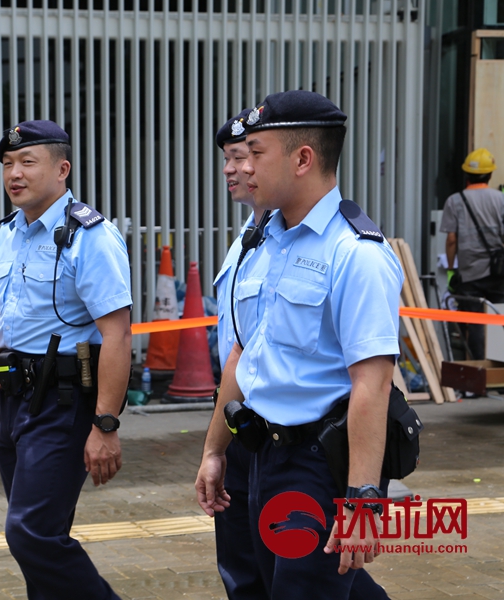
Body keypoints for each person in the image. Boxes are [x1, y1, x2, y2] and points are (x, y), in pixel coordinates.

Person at [195, 90, 403, 599]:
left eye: (256, 152)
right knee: (257, 586)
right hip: (257, 451)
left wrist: (363, 499)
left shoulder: (356, 255)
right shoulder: (261, 242)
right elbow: (243, 354)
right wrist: (215, 450)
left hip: (315, 460)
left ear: (303, 158)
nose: (243, 164)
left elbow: (372, 384)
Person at [0, 120, 133, 600]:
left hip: (62, 404)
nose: (14, 174)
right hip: (10, 402)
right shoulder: (9, 233)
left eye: (27, 162)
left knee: (30, 533)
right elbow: (3, 312)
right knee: (39, 540)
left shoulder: (92, 237)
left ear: (62, 170)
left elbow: (117, 335)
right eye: (7, 164)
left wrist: (105, 424)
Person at [211, 109, 270, 600]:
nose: (232, 169)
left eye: (241, 156)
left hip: (282, 429)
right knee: (241, 563)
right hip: (237, 420)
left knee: (298, 567)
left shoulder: (303, 242)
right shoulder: (245, 239)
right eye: (228, 159)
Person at [440, 148, 504, 360]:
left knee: (475, 322)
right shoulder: (500, 199)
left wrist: (451, 270)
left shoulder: (455, 201)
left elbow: (451, 240)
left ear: (467, 175)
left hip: (470, 274)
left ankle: (479, 372)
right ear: (490, 174)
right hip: (498, 272)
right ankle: (499, 372)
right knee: (498, 318)